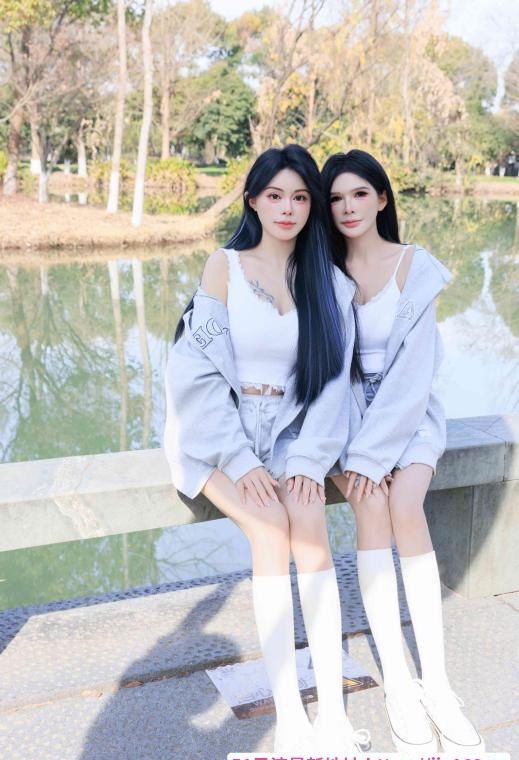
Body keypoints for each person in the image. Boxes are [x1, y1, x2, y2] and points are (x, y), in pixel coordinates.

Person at [164, 145, 369, 754]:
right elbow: (194, 374)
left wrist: (307, 461)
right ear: (252, 200)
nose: (287, 208)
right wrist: (238, 458)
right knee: (270, 528)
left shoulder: (330, 283)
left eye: (300, 197)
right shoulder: (223, 267)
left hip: (292, 434)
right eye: (275, 195)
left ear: (312, 206)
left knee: (310, 525)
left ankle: (331, 711)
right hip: (215, 436)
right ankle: (291, 715)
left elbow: (333, 384)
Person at [321, 149, 485, 753]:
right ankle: (398, 685)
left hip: (409, 414)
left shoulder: (414, 265)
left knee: (405, 504)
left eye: (359, 194)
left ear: (382, 199)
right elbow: (326, 371)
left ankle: (436, 684)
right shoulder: (322, 273)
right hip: (346, 417)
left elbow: (415, 375)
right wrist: (357, 453)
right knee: (371, 509)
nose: (348, 208)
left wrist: (374, 456)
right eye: (336, 198)